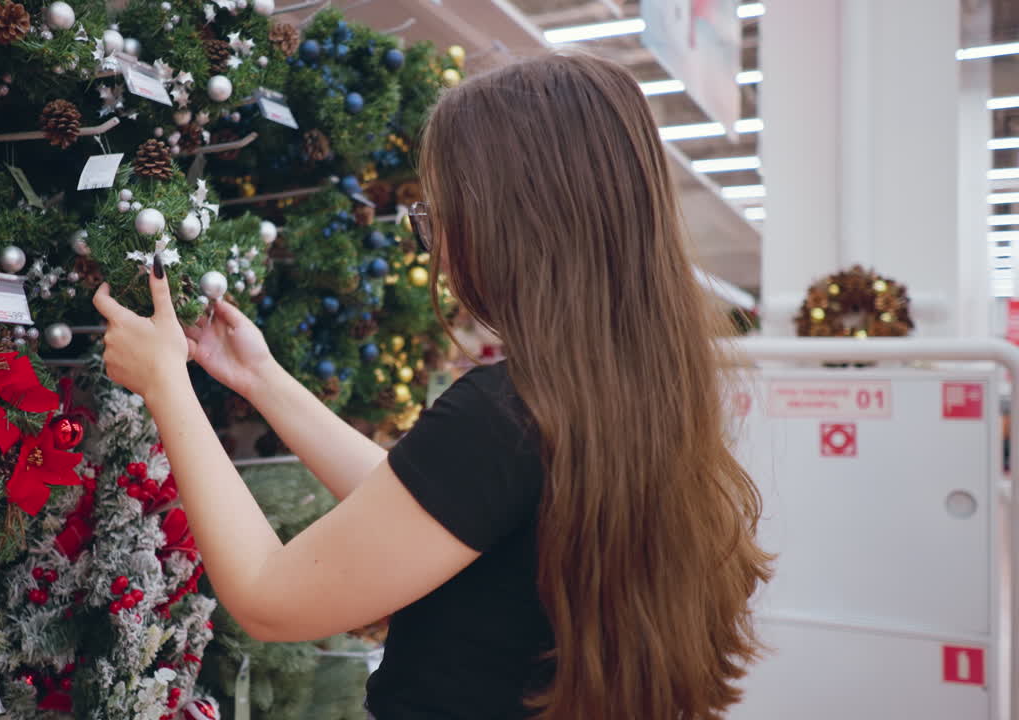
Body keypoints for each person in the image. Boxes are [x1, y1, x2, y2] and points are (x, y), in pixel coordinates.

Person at [93, 50, 773, 720]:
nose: (438, 249)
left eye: (438, 217)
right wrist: (263, 380)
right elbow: (435, 505)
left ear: (511, 226)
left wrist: (166, 388)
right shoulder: (628, 394)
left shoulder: (506, 414)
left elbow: (270, 597)